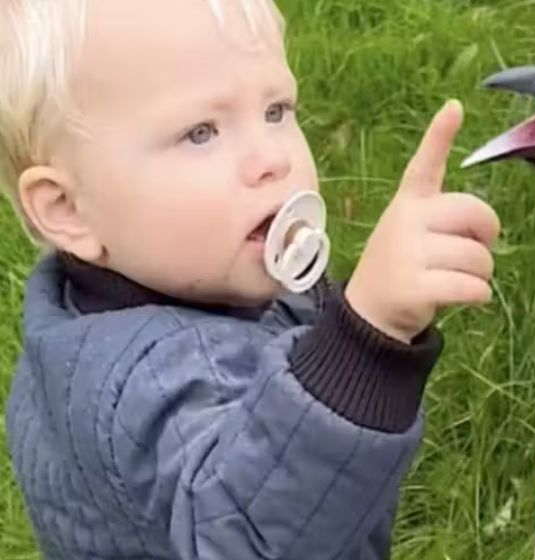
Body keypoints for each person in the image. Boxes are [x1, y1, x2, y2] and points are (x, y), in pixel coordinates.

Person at [0, 0, 500, 559]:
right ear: (68, 209)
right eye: (200, 133)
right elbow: (259, 537)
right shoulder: (155, 386)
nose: (271, 158)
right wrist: (369, 334)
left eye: (276, 110)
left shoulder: (86, 311)